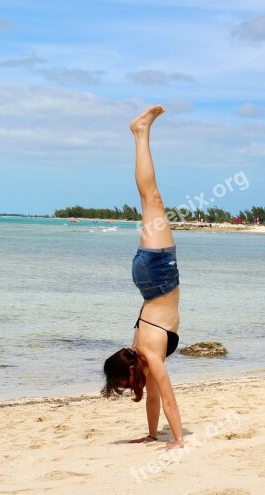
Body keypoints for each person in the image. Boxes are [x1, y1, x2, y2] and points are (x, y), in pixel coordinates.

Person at [102, 105, 184, 451]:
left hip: (158, 273)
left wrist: (178, 440)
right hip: (148, 278)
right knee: (149, 200)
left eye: (122, 383)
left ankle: (141, 132)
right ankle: (140, 132)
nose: (126, 387)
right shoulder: (141, 355)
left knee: (152, 198)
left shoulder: (148, 354)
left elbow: (169, 399)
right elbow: (154, 398)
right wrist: (153, 435)